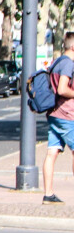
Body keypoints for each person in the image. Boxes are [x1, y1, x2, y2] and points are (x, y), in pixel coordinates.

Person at [41, 31, 74, 204]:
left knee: (52, 152)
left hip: (54, 114)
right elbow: (62, 89)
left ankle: (48, 194)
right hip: (67, 115)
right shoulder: (68, 64)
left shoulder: (57, 62)